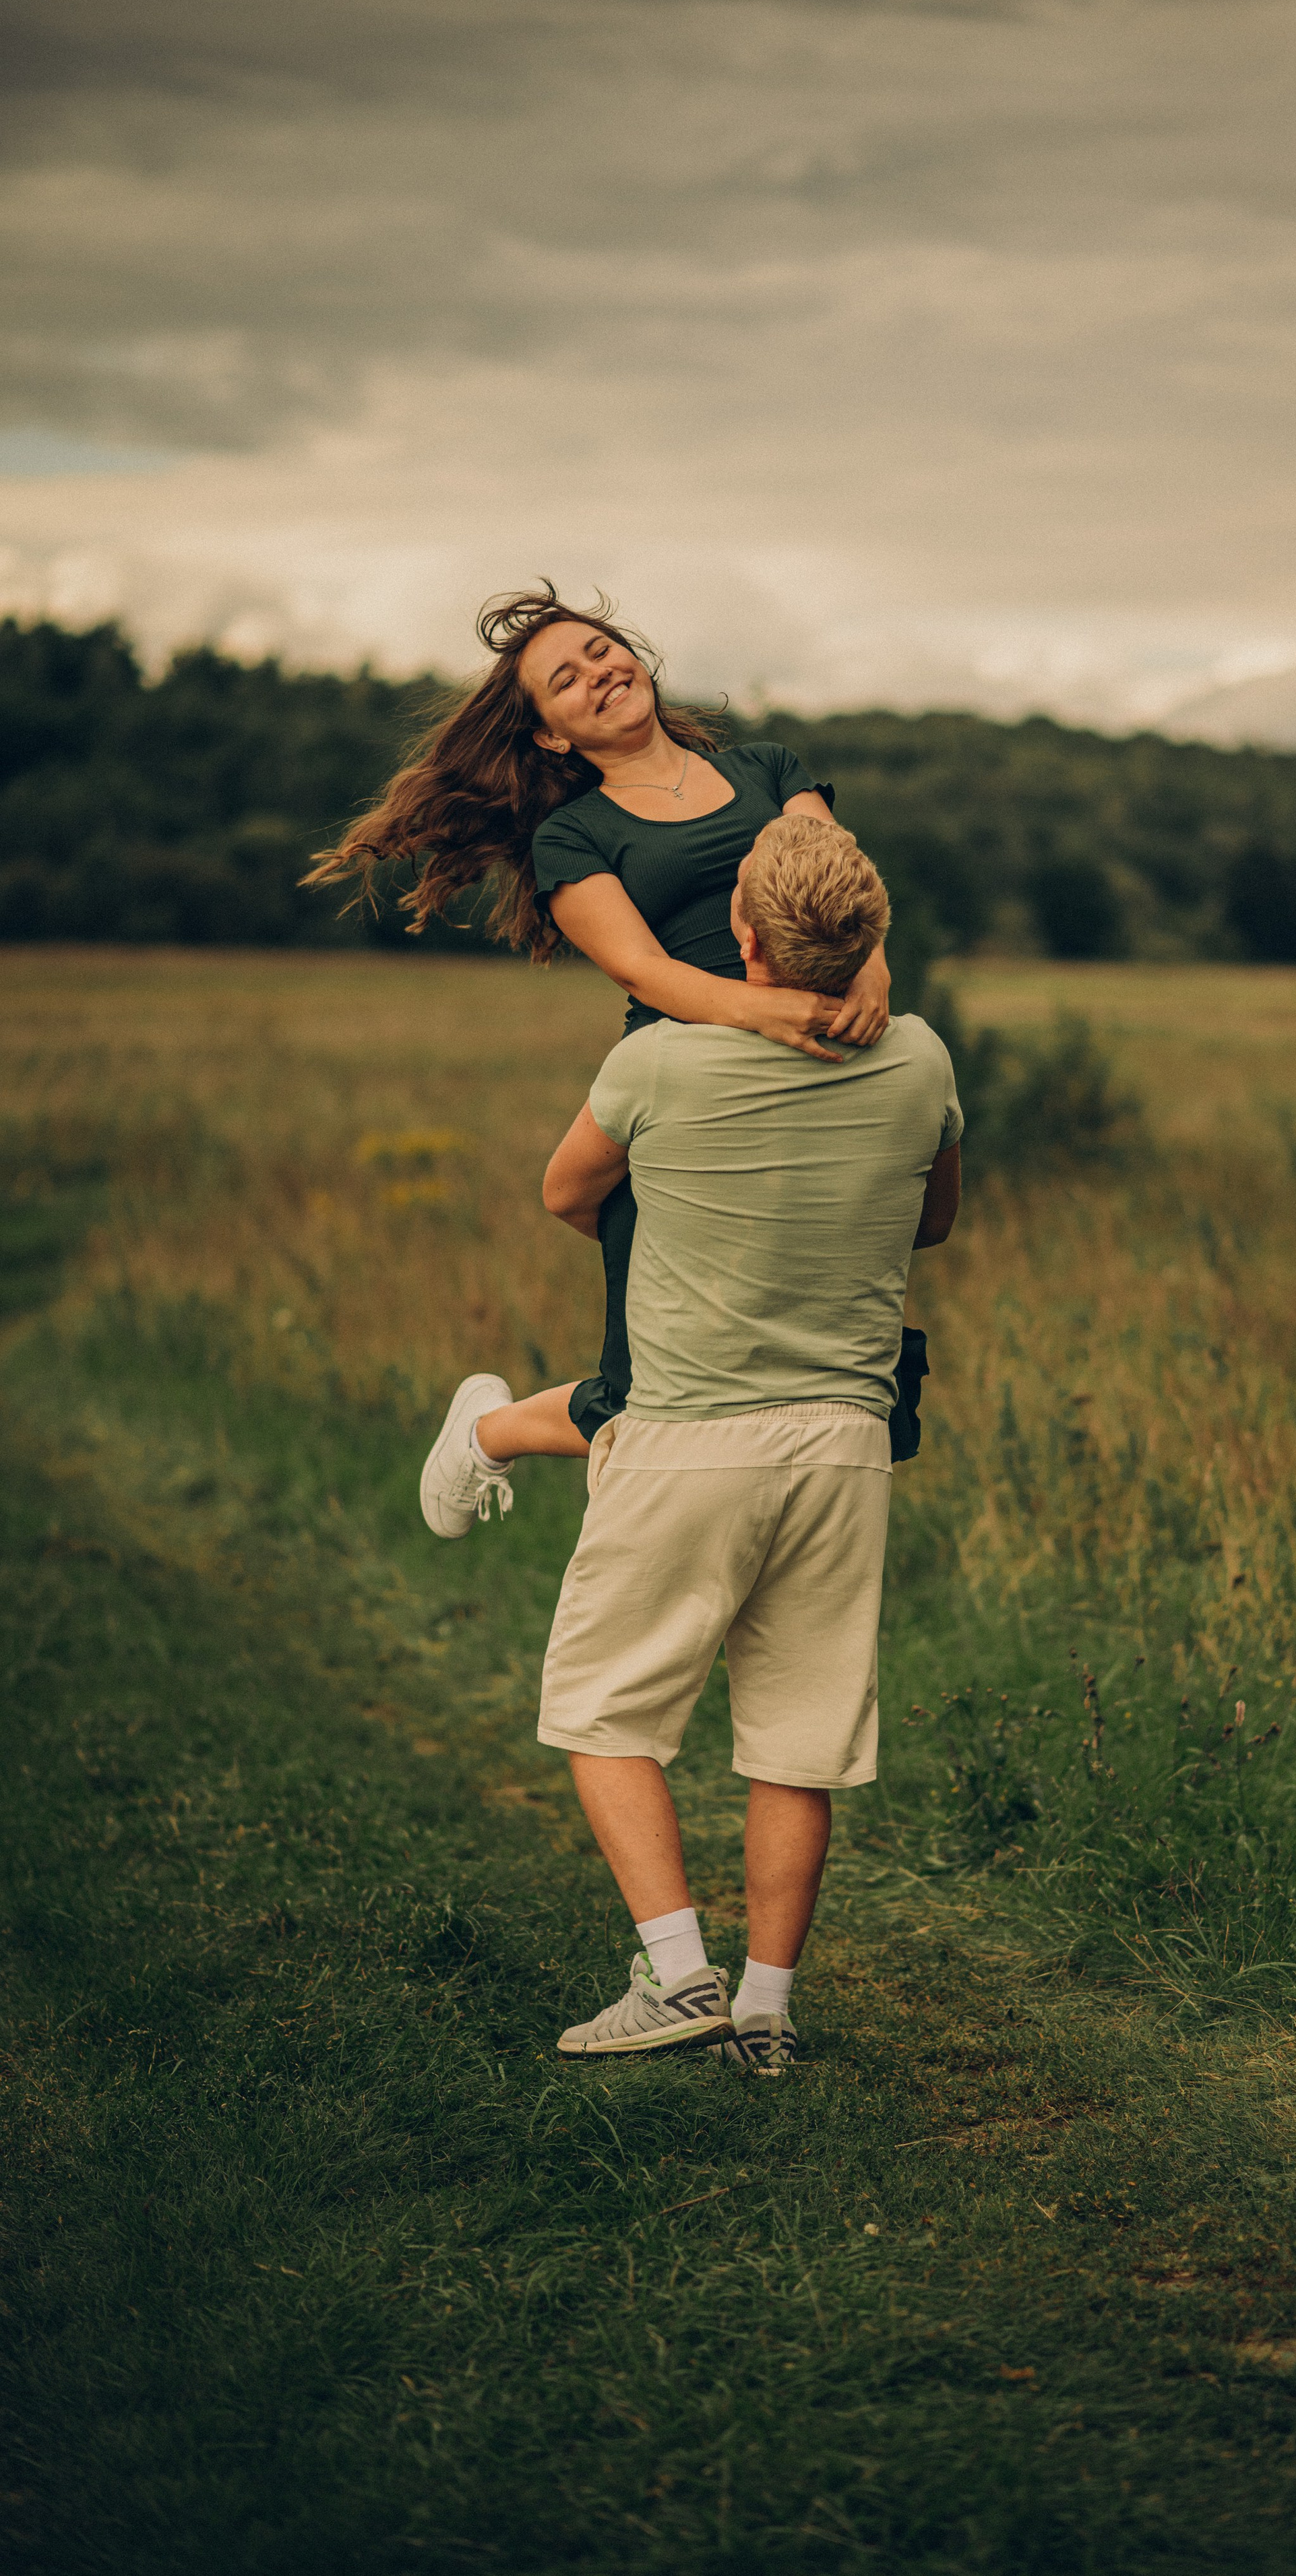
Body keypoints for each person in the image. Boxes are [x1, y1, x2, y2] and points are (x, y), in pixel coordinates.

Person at [419, 816, 962, 2071]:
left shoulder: (661, 1062)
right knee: (797, 1737)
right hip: (845, 1448)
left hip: (687, 1441)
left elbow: (568, 1194)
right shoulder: (923, 1059)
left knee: (604, 1713)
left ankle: (676, 1978)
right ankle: (766, 2013)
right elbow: (932, 1219)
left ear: (740, 936)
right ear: (869, 943)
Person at [307, 585, 894, 1465]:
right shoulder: (574, 835)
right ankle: (483, 1437)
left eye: (601, 651)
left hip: (815, 1055)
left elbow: (842, 878)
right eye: (565, 679)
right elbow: (642, 969)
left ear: (638, 657)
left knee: (796, 1352)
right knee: (639, 1391)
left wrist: (873, 971)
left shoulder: (768, 769)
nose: (597, 673)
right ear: (552, 734)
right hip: (679, 1076)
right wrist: (774, 1013)